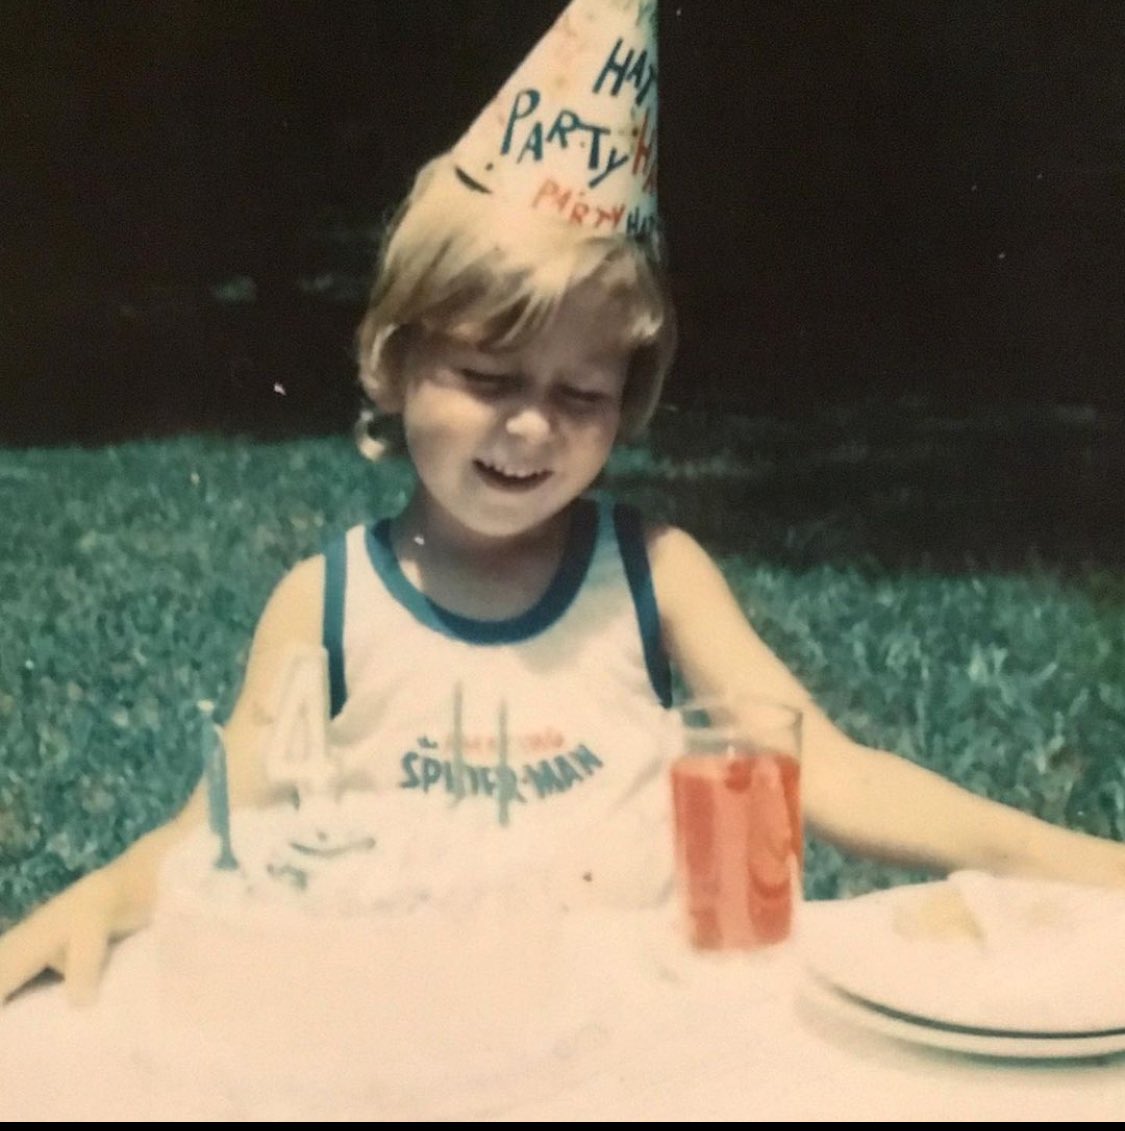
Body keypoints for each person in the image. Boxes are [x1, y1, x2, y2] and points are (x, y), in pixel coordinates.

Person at [4, 147, 1125, 1010]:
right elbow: (223, 824)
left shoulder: (653, 574)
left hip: (632, 1026)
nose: (532, 424)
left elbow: (824, 772)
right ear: (393, 367)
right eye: (487, 376)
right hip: (407, 1032)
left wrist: (1075, 862)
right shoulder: (329, 602)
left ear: (625, 403)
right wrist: (106, 894)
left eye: (581, 395)